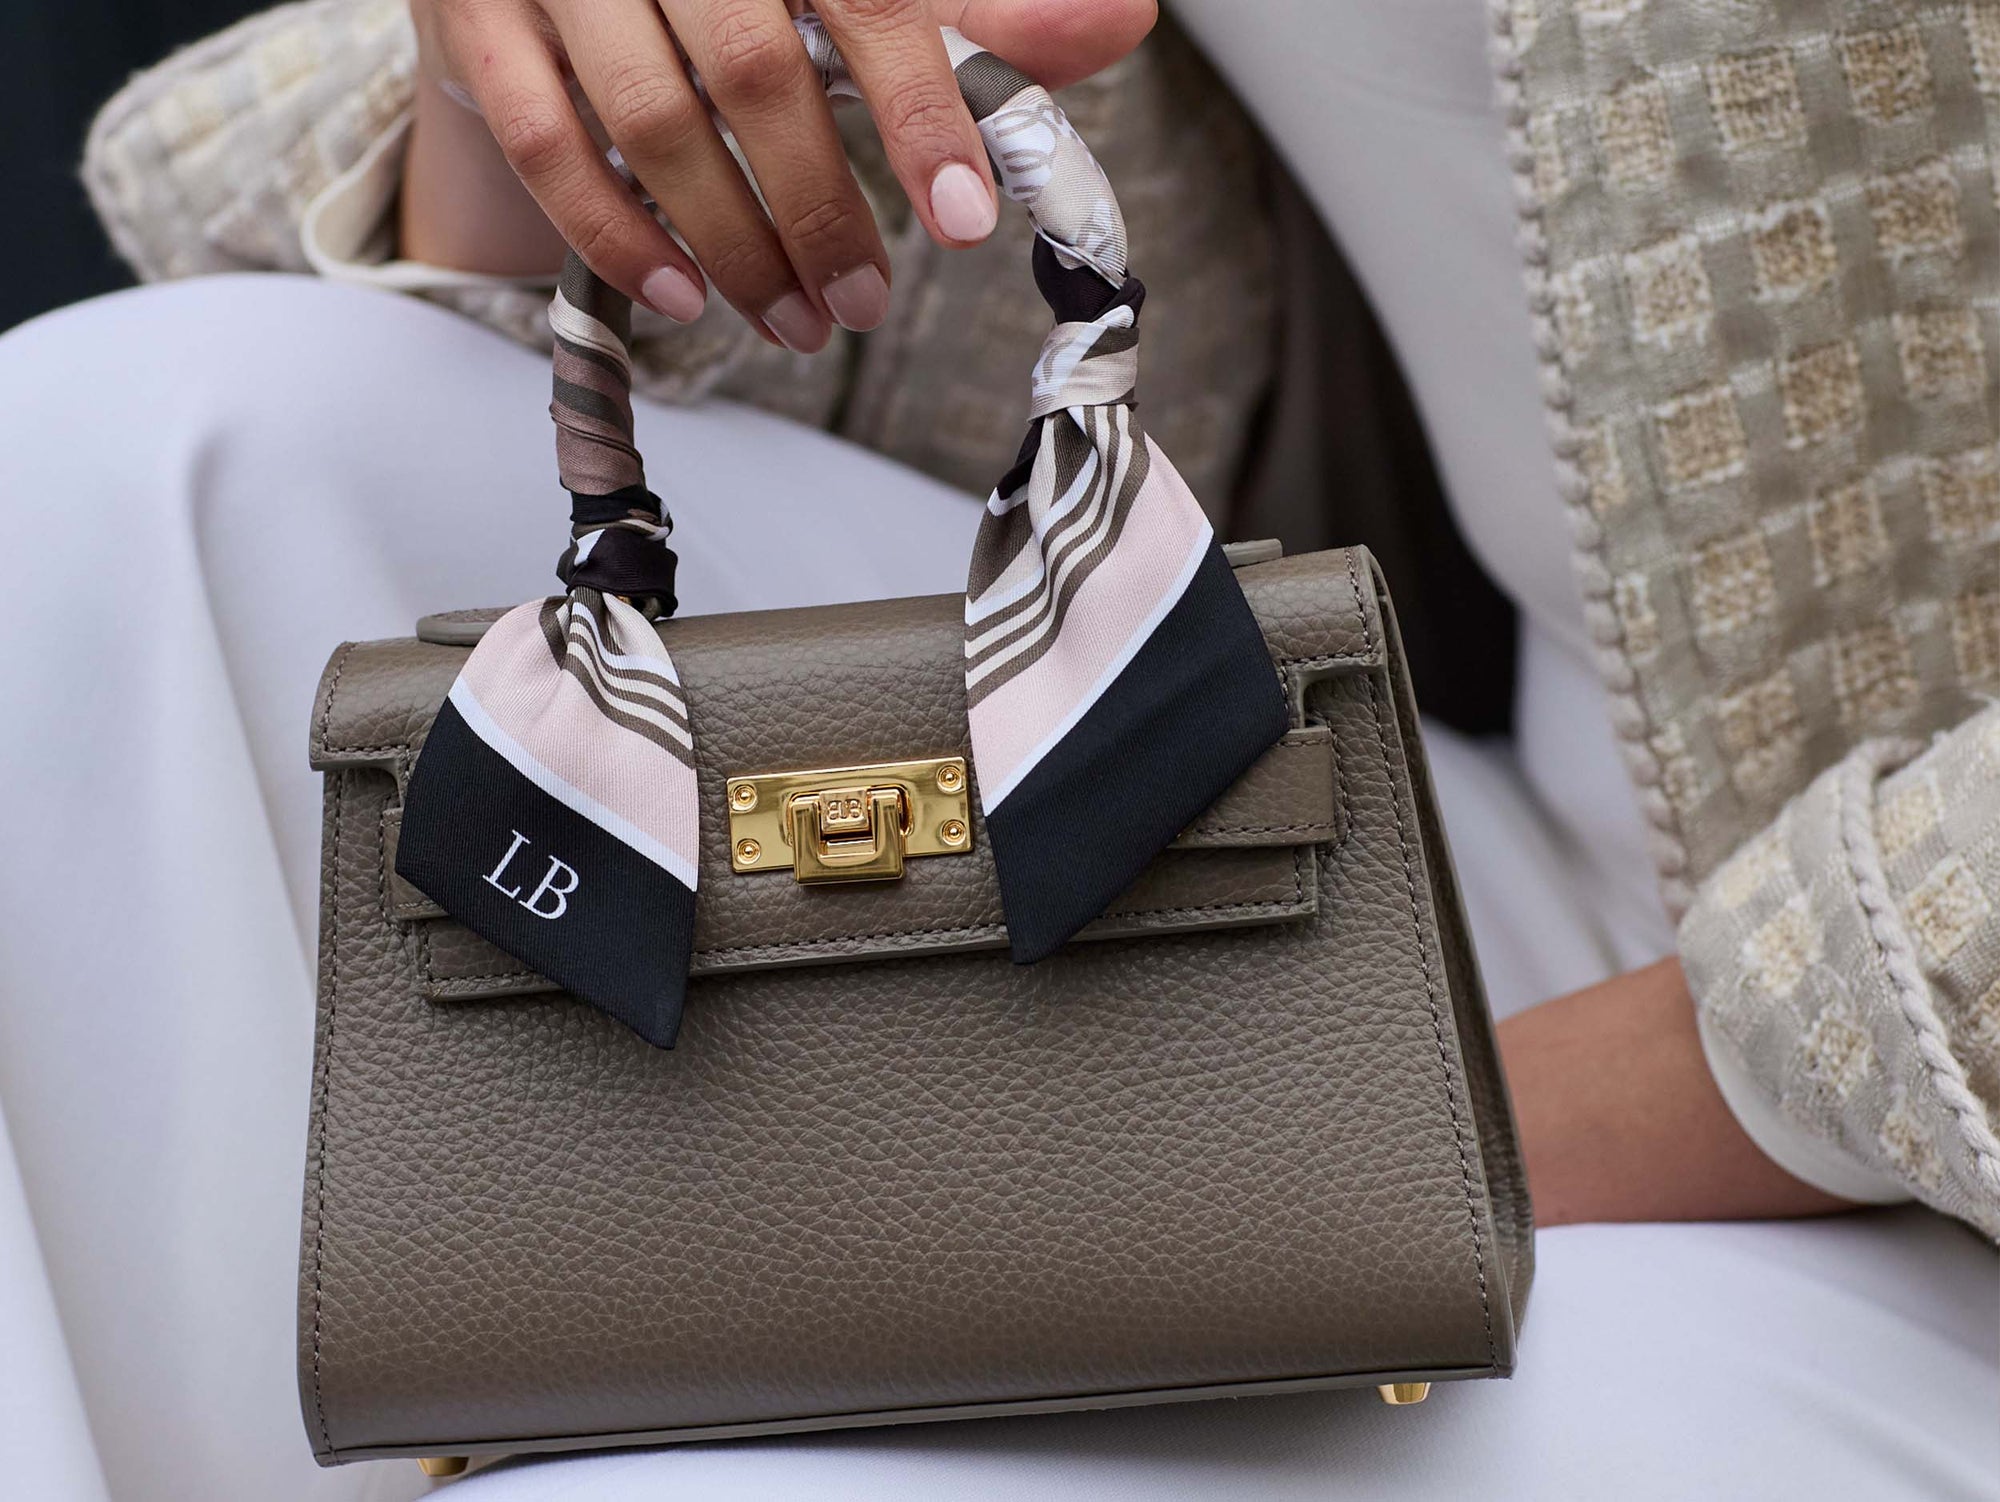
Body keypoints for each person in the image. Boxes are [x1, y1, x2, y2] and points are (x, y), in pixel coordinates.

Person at [0, 1, 1992, 1498]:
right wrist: (580, 118)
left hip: (1896, 1112)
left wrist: (1337, 1136)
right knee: (97, 473)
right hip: (1465, 851)